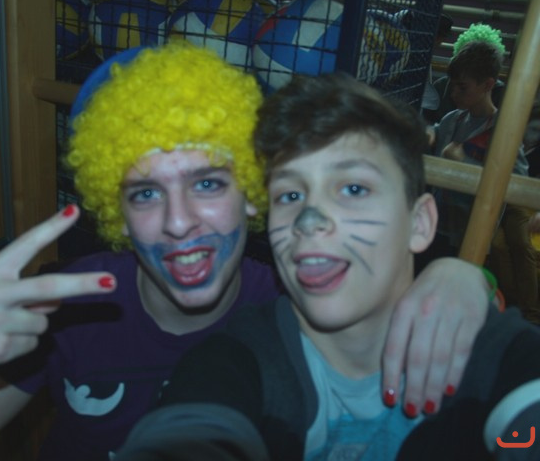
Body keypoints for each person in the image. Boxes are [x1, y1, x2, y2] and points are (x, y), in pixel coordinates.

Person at [0, 43, 493, 461]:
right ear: (117, 212)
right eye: (146, 193)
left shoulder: (300, 303)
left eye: (208, 183)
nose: (179, 222)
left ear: (253, 194)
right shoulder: (68, 306)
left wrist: (460, 276)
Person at [116, 72, 540, 461]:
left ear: (420, 223)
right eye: (290, 196)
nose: (309, 219)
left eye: (353, 188)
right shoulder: (236, 362)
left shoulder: (488, 350)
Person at [431, 40, 536, 315]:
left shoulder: (503, 131)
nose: (453, 92)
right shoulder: (452, 120)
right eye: (452, 85)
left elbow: (519, 182)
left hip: (470, 233)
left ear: (488, 84)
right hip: (437, 225)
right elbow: (434, 138)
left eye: (462, 87)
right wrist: (427, 134)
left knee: (454, 303)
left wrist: (464, 165)